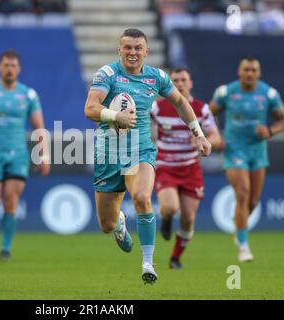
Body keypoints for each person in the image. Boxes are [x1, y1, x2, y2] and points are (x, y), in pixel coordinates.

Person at [84, 28, 212, 284]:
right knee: (106, 225)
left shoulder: (157, 77)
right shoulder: (108, 74)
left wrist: (197, 133)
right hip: (108, 153)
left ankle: (148, 263)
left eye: (137, 48)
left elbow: (180, 102)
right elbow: (90, 108)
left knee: (142, 197)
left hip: (140, 149)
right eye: (127, 48)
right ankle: (119, 221)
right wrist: (115, 116)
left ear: (146, 51)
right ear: (119, 50)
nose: (132, 52)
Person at [0, 49, 50, 261]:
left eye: (13, 65)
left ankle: (5, 248)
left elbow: (39, 126)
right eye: (6, 65)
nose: (10, 69)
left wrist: (44, 155)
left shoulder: (28, 94)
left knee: (11, 200)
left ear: (19, 69)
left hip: (18, 155)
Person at [210, 56, 284, 262]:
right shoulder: (226, 92)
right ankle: (244, 247)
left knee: (253, 201)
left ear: (259, 73)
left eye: (254, 70)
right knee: (243, 193)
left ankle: (239, 223)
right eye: (246, 69)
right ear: (239, 71)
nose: (250, 74)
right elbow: (208, 114)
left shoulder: (268, 94)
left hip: (257, 151)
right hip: (234, 149)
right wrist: (216, 136)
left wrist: (270, 130)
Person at [151, 68, 223, 269]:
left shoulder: (201, 109)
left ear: (190, 83)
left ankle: (175, 259)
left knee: (188, 218)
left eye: (183, 80)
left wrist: (204, 140)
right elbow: (140, 122)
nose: (179, 83)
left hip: (191, 169)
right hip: (166, 166)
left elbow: (217, 138)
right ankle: (166, 218)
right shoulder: (158, 107)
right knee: (171, 207)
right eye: (175, 80)